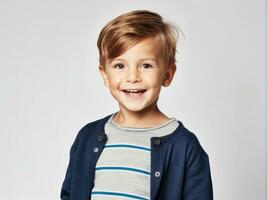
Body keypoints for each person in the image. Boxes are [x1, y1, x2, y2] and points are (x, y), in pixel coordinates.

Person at [60, 10, 213, 200]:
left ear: (167, 74)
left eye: (146, 65)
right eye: (120, 66)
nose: (133, 77)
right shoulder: (87, 137)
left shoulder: (185, 146)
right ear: (105, 75)